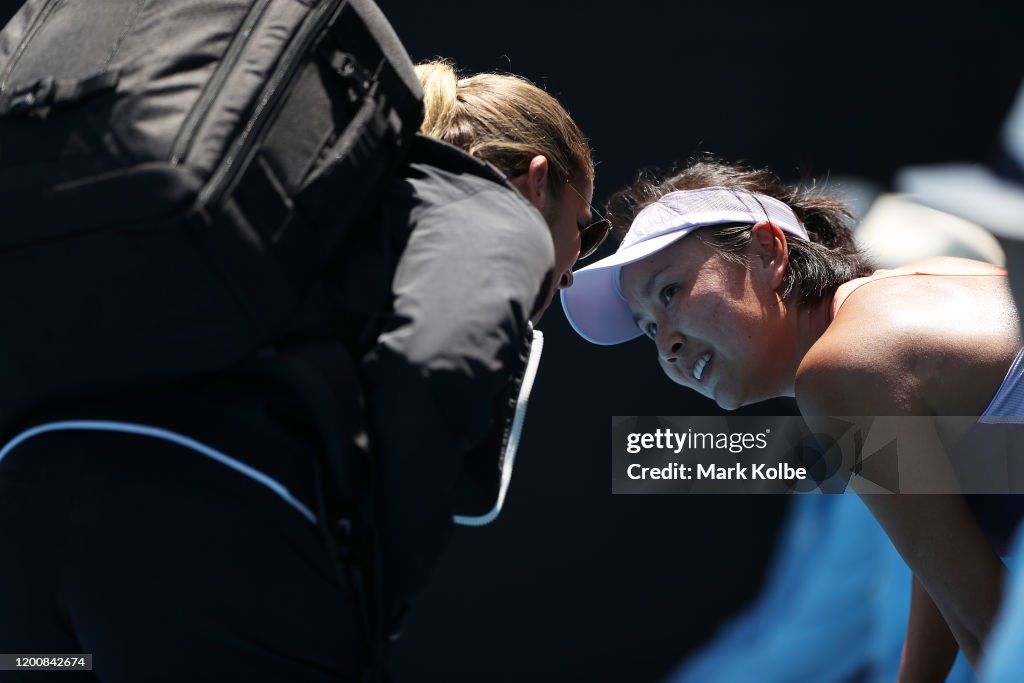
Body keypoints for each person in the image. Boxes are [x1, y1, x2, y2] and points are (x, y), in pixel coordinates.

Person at [0, 58, 605, 681]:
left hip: (29, 513)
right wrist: (366, 612)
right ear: (536, 183)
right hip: (200, 542)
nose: (568, 271)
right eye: (586, 229)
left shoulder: (324, 182)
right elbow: (432, 374)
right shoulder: (496, 218)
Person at [561, 158, 1024, 680]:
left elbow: (988, 624)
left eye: (671, 292)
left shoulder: (840, 372)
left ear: (768, 250)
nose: (665, 343)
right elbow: (944, 574)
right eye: (648, 328)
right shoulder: (913, 292)